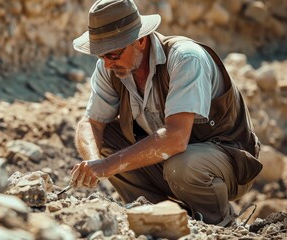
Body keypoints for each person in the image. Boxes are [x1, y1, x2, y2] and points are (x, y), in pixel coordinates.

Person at [69, 0, 262, 226]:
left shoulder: (186, 58)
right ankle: (157, 217)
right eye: (101, 56)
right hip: (173, 161)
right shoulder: (109, 67)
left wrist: (108, 165)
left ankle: (217, 223)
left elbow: (176, 138)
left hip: (228, 162)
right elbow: (91, 123)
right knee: (106, 141)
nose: (107, 64)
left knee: (182, 164)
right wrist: (94, 162)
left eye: (112, 55)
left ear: (139, 40)